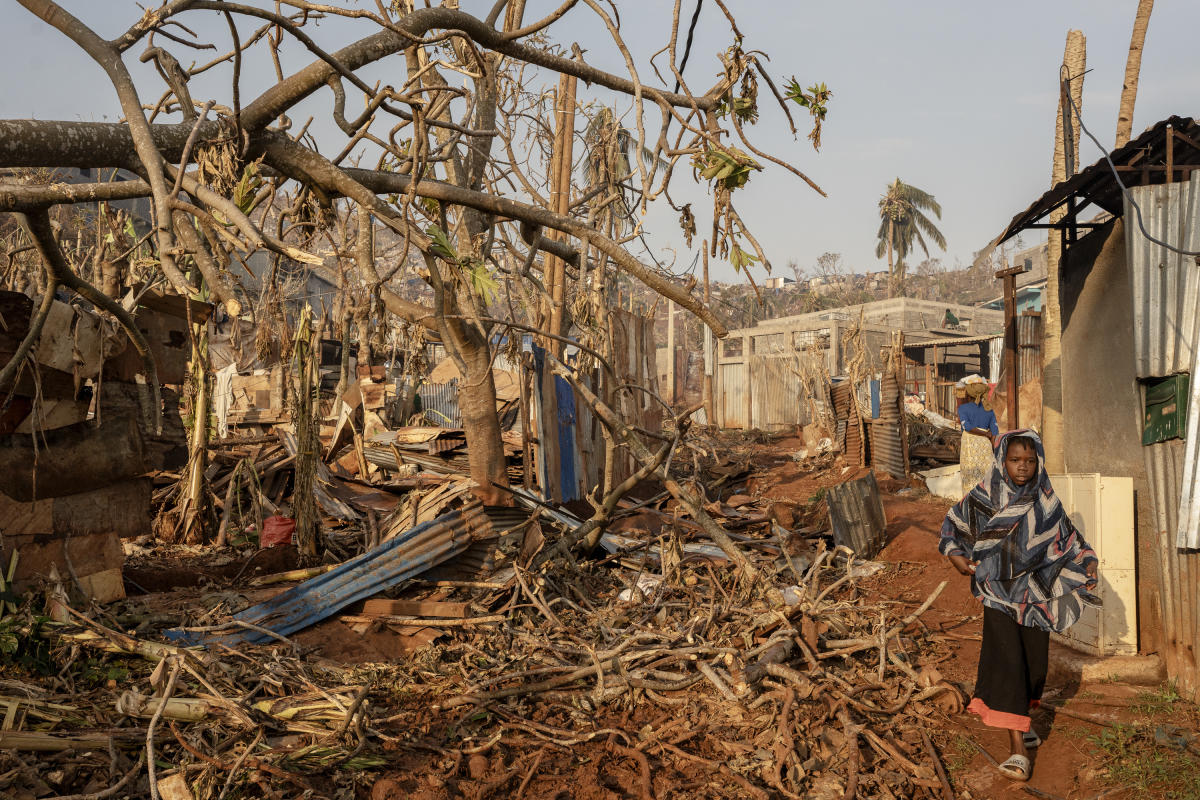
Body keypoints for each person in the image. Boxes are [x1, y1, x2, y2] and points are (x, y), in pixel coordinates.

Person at [938, 430, 1099, 782]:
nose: (1022, 467)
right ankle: (1017, 749)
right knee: (1009, 663)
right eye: (1015, 460)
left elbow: (1071, 541)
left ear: (1037, 460)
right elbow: (953, 527)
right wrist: (957, 557)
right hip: (996, 592)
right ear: (1002, 461)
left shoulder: (1046, 500)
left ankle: (1023, 718)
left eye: (1029, 460)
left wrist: (1087, 562)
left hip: (1036, 597)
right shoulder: (985, 496)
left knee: (1035, 666)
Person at [956, 379, 998, 495]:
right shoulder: (989, 410)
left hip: (970, 444)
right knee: (986, 475)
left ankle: (970, 502)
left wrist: (985, 434)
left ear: (969, 394)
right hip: (985, 445)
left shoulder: (962, 409)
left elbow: (967, 427)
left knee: (970, 476)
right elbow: (994, 433)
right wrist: (994, 451)